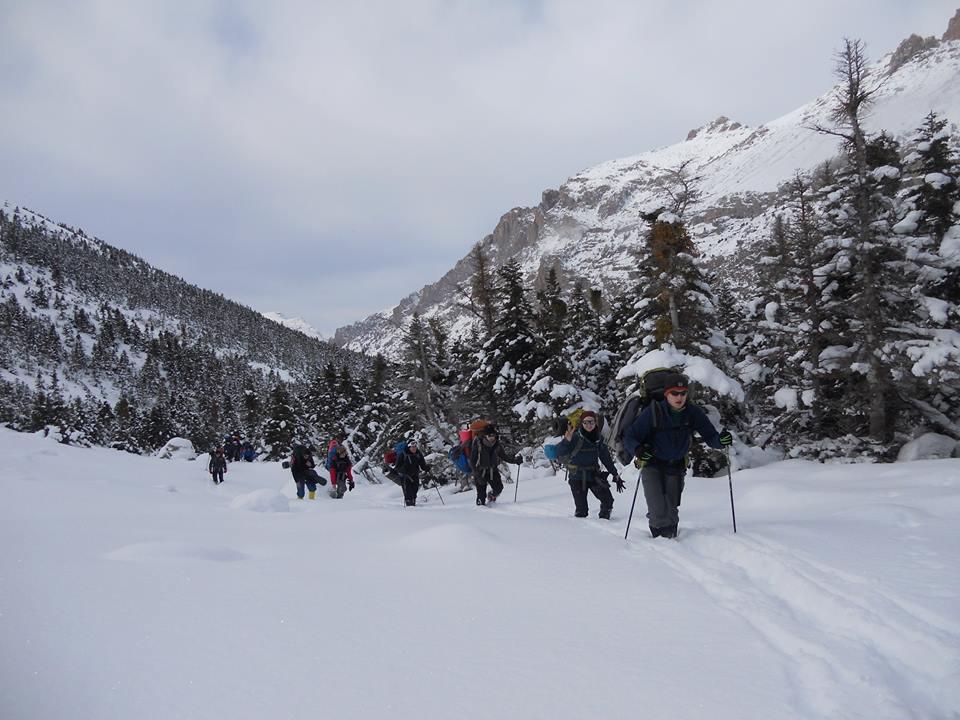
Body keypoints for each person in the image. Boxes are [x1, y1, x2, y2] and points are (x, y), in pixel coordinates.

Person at [623, 372, 733, 538]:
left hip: (676, 466)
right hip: (652, 464)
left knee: (672, 507)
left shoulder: (692, 412)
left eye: (683, 393)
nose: (679, 397)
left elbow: (710, 436)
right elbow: (630, 436)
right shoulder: (653, 412)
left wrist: (721, 441)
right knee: (658, 507)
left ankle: (670, 537)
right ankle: (659, 538)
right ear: (667, 394)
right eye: (674, 393)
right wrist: (638, 449)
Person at [556, 410, 624, 519]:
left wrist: (615, 474)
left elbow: (606, 458)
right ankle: (582, 529)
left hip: (594, 475)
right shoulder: (574, 437)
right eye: (586, 422)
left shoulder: (598, 438)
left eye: (591, 422)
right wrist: (566, 441)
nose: (589, 425)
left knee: (608, 501)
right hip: (577, 477)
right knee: (581, 511)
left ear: (595, 422)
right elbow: (559, 453)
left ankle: (604, 522)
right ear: (582, 423)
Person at [470, 426, 521, 506]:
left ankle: (491, 496)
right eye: (489, 435)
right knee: (481, 497)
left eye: (493, 435)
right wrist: (477, 475)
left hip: (492, 471)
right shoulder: (478, 444)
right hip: (480, 472)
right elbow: (472, 461)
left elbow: (504, 457)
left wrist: (515, 460)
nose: (492, 437)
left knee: (498, 488)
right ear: (485, 436)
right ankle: (480, 510)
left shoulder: (497, 445)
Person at [394, 438, 429, 507]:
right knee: (408, 492)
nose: (414, 448)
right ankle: (410, 506)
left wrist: (426, 468)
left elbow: (422, 464)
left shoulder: (418, 453)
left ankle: (413, 504)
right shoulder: (403, 454)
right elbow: (397, 467)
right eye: (412, 447)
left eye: (415, 447)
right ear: (409, 447)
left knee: (415, 490)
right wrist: (402, 470)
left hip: (415, 474)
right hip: (405, 476)